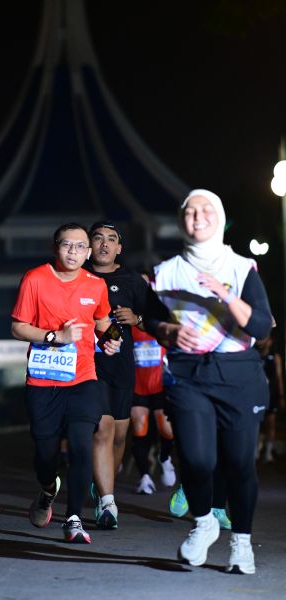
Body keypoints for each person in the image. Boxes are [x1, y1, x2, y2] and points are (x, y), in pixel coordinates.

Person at [148, 189, 272, 575]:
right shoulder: (166, 271)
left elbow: (260, 325)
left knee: (239, 463)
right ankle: (203, 523)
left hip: (239, 374)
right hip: (189, 374)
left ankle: (241, 543)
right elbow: (149, 319)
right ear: (181, 221)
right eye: (190, 212)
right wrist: (168, 330)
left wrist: (223, 294)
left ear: (219, 217)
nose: (198, 217)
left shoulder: (240, 267)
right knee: (196, 459)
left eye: (206, 210)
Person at [11, 222, 121, 544]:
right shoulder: (35, 279)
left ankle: (74, 518)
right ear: (55, 247)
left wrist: (113, 339)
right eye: (66, 245)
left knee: (81, 445)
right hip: (42, 381)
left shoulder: (95, 285)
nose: (73, 251)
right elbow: (18, 327)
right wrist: (55, 337)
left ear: (88, 253)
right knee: (45, 455)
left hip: (83, 378)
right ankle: (48, 489)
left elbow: (103, 321)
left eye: (80, 246)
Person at [85, 221, 150, 529]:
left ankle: (103, 482)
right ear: (89, 245)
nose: (104, 244)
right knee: (103, 428)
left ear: (119, 248)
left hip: (122, 366)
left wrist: (137, 318)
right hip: (88, 365)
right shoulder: (79, 275)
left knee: (120, 435)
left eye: (111, 239)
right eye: (98, 238)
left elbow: (157, 318)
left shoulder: (131, 280)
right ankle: (107, 501)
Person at [131, 324, 176, 494]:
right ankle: (145, 477)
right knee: (139, 428)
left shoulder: (160, 325)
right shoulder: (130, 325)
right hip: (137, 386)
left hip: (160, 386)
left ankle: (164, 457)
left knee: (166, 429)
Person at [255, 332, 285, 463]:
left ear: (271, 341)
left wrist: (281, 395)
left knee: (270, 423)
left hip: (271, 395)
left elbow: (279, 378)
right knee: (256, 423)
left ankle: (268, 452)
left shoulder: (275, 357)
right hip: (257, 395)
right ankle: (256, 450)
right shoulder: (254, 356)